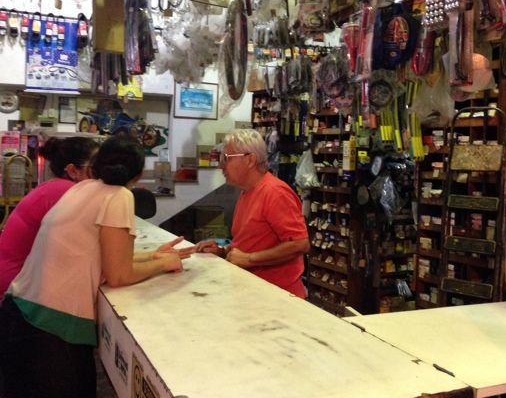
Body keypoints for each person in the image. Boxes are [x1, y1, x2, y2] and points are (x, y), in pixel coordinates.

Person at [0, 136, 193, 398]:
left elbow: (98, 257)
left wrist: (154, 257)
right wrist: (163, 264)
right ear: (137, 176)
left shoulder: (82, 188)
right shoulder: (120, 196)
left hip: (19, 313)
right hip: (52, 330)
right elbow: (119, 274)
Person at [197, 128, 310, 298]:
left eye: (226, 158)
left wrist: (249, 259)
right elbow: (253, 241)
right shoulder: (247, 191)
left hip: (279, 298)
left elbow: (299, 244)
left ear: (250, 160)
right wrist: (223, 250)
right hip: (253, 291)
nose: (221, 165)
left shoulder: (275, 193)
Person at [0, 136, 100, 299]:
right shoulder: (67, 192)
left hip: (15, 278)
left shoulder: (55, 187)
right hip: (15, 287)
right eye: (96, 167)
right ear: (73, 170)